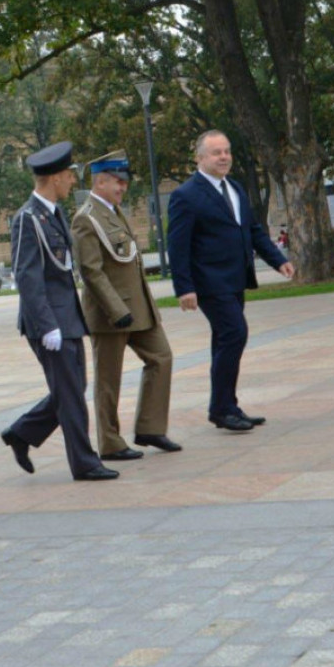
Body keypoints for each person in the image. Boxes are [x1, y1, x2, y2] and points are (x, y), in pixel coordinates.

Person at [0, 142, 118, 481]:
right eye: (68, 175)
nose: (71, 181)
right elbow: (27, 275)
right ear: (53, 178)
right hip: (49, 323)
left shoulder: (54, 213)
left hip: (66, 318)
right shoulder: (27, 219)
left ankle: (21, 433)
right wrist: (47, 325)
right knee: (70, 396)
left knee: (72, 390)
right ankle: (84, 463)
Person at [167, 130, 295, 431]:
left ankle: (227, 406)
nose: (224, 157)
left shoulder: (235, 188)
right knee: (235, 333)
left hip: (235, 279)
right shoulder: (185, 195)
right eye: (216, 153)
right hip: (209, 282)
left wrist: (278, 261)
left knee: (225, 340)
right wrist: (184, 288)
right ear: (200, 158)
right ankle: (222, 408)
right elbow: (178, 246)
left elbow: (252, 231)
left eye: (227, 151)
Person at [71, 156, 181, 460]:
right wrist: (117, 310)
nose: (124, 186)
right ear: (100, 180)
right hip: (111, 315)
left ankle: (150, 427)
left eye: (125, 181)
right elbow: (91, 271)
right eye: (118, 181)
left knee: (162, 357)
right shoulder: (86, 217)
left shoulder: (113, 211)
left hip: (139, 309)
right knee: (108, 380)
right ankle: (110, 443)